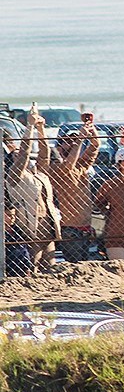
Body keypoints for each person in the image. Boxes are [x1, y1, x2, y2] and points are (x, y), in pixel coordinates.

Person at [5, 108, 61, 271]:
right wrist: (29, 126)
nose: (19, 156)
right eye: (14, 155)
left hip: (47, 227)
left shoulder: (39, 173)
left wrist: (40, 129)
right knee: (32, 267)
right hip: (29, 229)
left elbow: (45, 153)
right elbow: (24, 153)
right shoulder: (14, 176)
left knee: (50, 268)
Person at [47, 121, 100, 263]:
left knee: (85, 263)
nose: (72, 143)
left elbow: (95, 146)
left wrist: (91, 130)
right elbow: (68, 165)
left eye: (74, 140)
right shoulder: (56, 168)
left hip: (86, 225)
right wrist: (80, 139)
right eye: (68, 141)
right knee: (75, 264)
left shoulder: (81, 165)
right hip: (69, 227)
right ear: (59, 147)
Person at [4, 193, 32, 277]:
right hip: (8, 263)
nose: (12, 218)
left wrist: (27, 267)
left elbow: (24, 249)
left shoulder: (16, 230)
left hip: (21, 263)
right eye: (9, 215)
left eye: (14, 215)